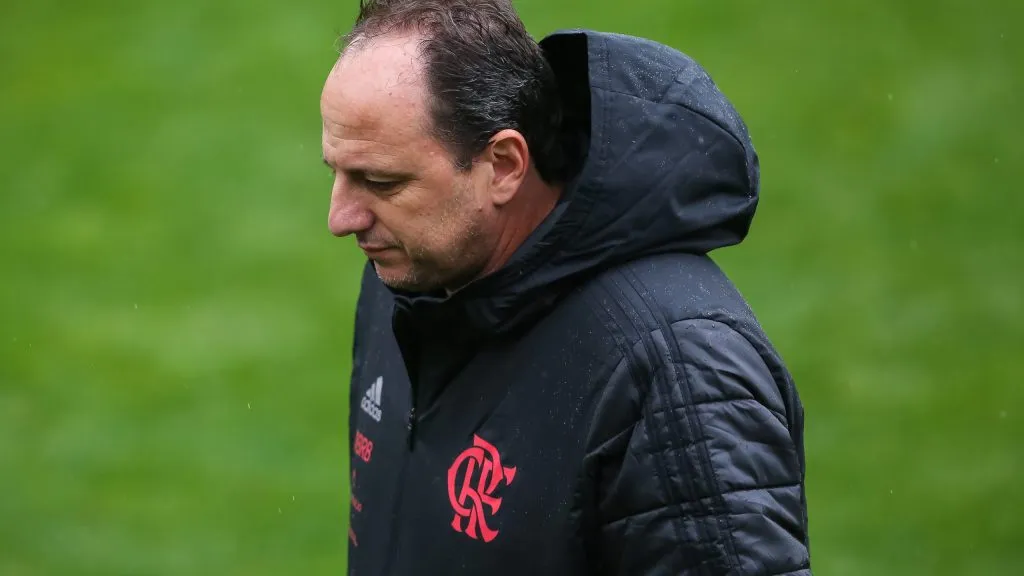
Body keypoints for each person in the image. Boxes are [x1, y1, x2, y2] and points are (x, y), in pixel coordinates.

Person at [322, 0, 812, 574]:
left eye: (380, 181)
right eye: (336, 172)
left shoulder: (676, 371)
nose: (341, 218)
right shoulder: (406, 282)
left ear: (504, 165)